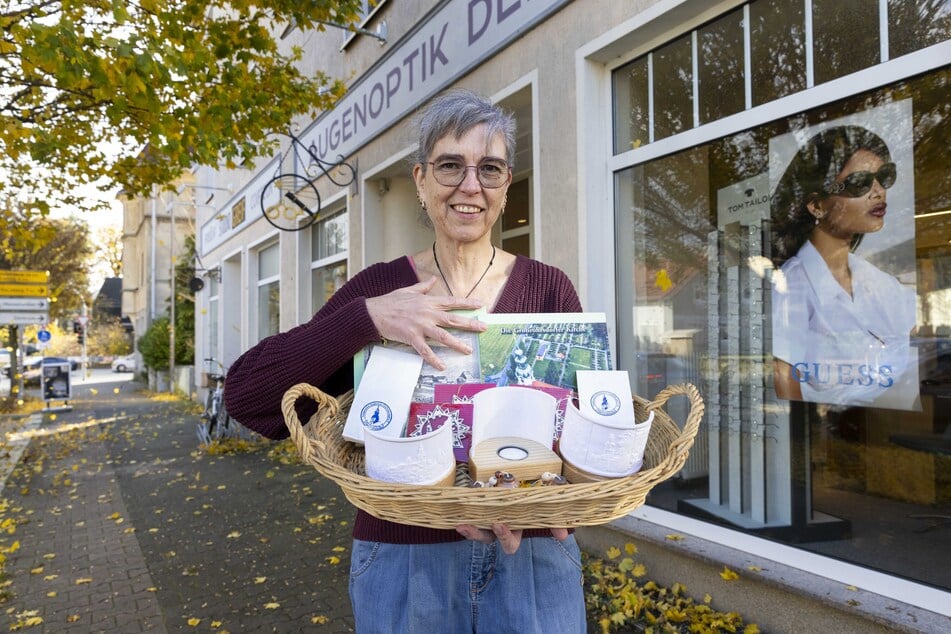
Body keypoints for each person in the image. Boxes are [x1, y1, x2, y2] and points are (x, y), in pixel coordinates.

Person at [224, 89, 587, 632]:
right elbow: (249, 396)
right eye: (450, 166)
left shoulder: (547, 288)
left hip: (531, 556)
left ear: (506, 185)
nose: (470, 186)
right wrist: (365, 320)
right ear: (420, 180)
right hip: (404, 556)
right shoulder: (379, 289)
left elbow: (586, 428)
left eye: (489, 168)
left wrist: (556, 504)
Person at [770, 124, 917, 409]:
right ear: (817, 207)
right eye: (860, 183)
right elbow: (786, 384)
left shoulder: (885, 285)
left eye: (884, 177)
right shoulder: (793, 286)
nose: (878, 192)